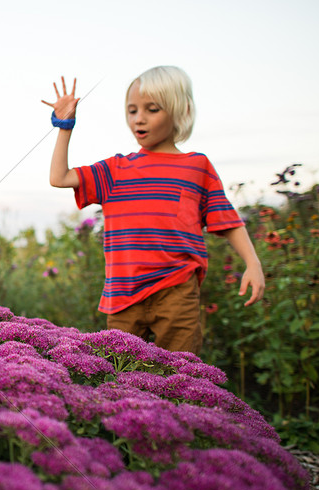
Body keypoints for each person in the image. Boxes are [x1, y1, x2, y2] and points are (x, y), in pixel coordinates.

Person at [41, 66, 265, 354]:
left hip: (177, 290)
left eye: (152, 109)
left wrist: (253, 263)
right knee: (118, 378)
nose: (139, 119)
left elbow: (227, 220)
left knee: (181, 376)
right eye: (132, 110)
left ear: (181, 112)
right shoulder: (116, 169)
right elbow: (59, 178)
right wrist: (64, 126)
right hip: (123, 295)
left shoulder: (198, 167)